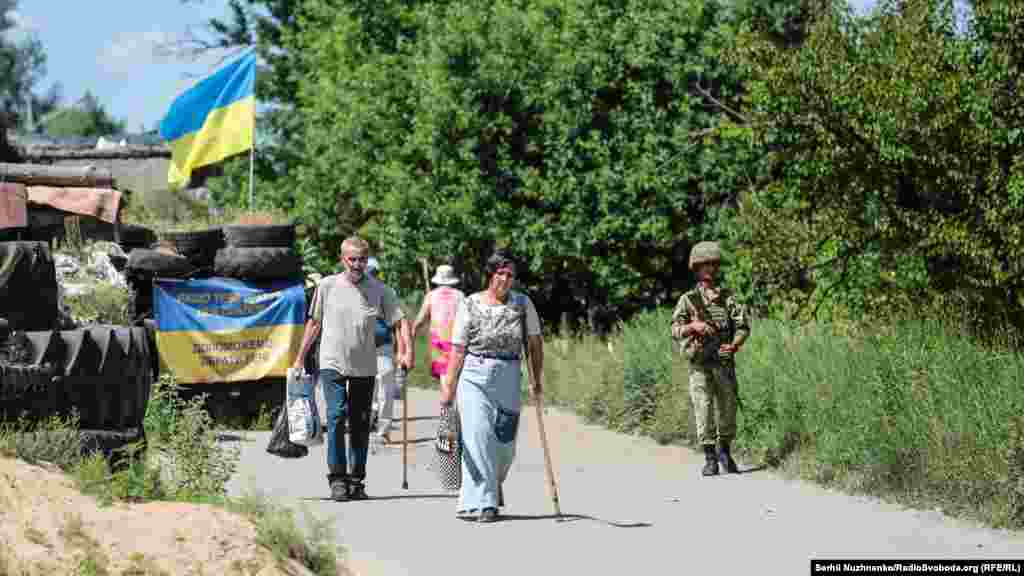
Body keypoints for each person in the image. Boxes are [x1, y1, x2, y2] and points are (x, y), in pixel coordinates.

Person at [293, 237, 413, 501]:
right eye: (352, 259)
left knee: (359, 422)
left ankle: (357, 479)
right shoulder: (327, 286)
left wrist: (407, 351)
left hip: (364, 364)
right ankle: (337, 478)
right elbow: (314, 324)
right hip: (332, 362)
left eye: (362, 260)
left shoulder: (380, 290)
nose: (358, 265)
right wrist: (300, 358)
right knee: (336, 416)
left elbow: (401, 322)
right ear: (342, 259)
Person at [441, 251, 543, 523]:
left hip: (509, 374)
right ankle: (480, 503)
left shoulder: (522, 304)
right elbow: (458, 348)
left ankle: (492, 482)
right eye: (501, 274)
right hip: (474, 375)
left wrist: (537, 379)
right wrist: (449, 383)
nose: (506, 280)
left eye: (510, 276)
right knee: (478, 437)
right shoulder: (471, 303)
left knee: (504, 444)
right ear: (491, 275)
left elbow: (534, 343)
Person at [671, 241, 750, 476]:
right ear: (696, 268)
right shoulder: (688, 300)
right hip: (699, 363)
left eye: (713, 264)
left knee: (728, 408)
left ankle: (724, 451)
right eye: (704, 265)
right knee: (703, 409)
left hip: (724, 362)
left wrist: (734, 346)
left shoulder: (729, 298)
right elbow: (674, 330)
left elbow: (743, 326)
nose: (709, 269)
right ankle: (709, 457)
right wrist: (693, 326)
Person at [366, 256, 402, 444]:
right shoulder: (354, 291)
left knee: (386, 389)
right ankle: (366, 424)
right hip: (360, 348)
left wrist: (403, 350)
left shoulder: (387, 292)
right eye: (368, 271)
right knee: (364, 389)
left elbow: (398, 322)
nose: (371, 275)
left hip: (384, 345)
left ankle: (383, 430)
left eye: (374, 272)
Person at [412, 264, 466, 387]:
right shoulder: (460, 295)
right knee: (454, 375)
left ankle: (447, 404)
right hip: (456, 340)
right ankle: (452, 403)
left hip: (438, 341)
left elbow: (421, 319)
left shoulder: (431, 295)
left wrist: (413, 331)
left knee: (443, 374)